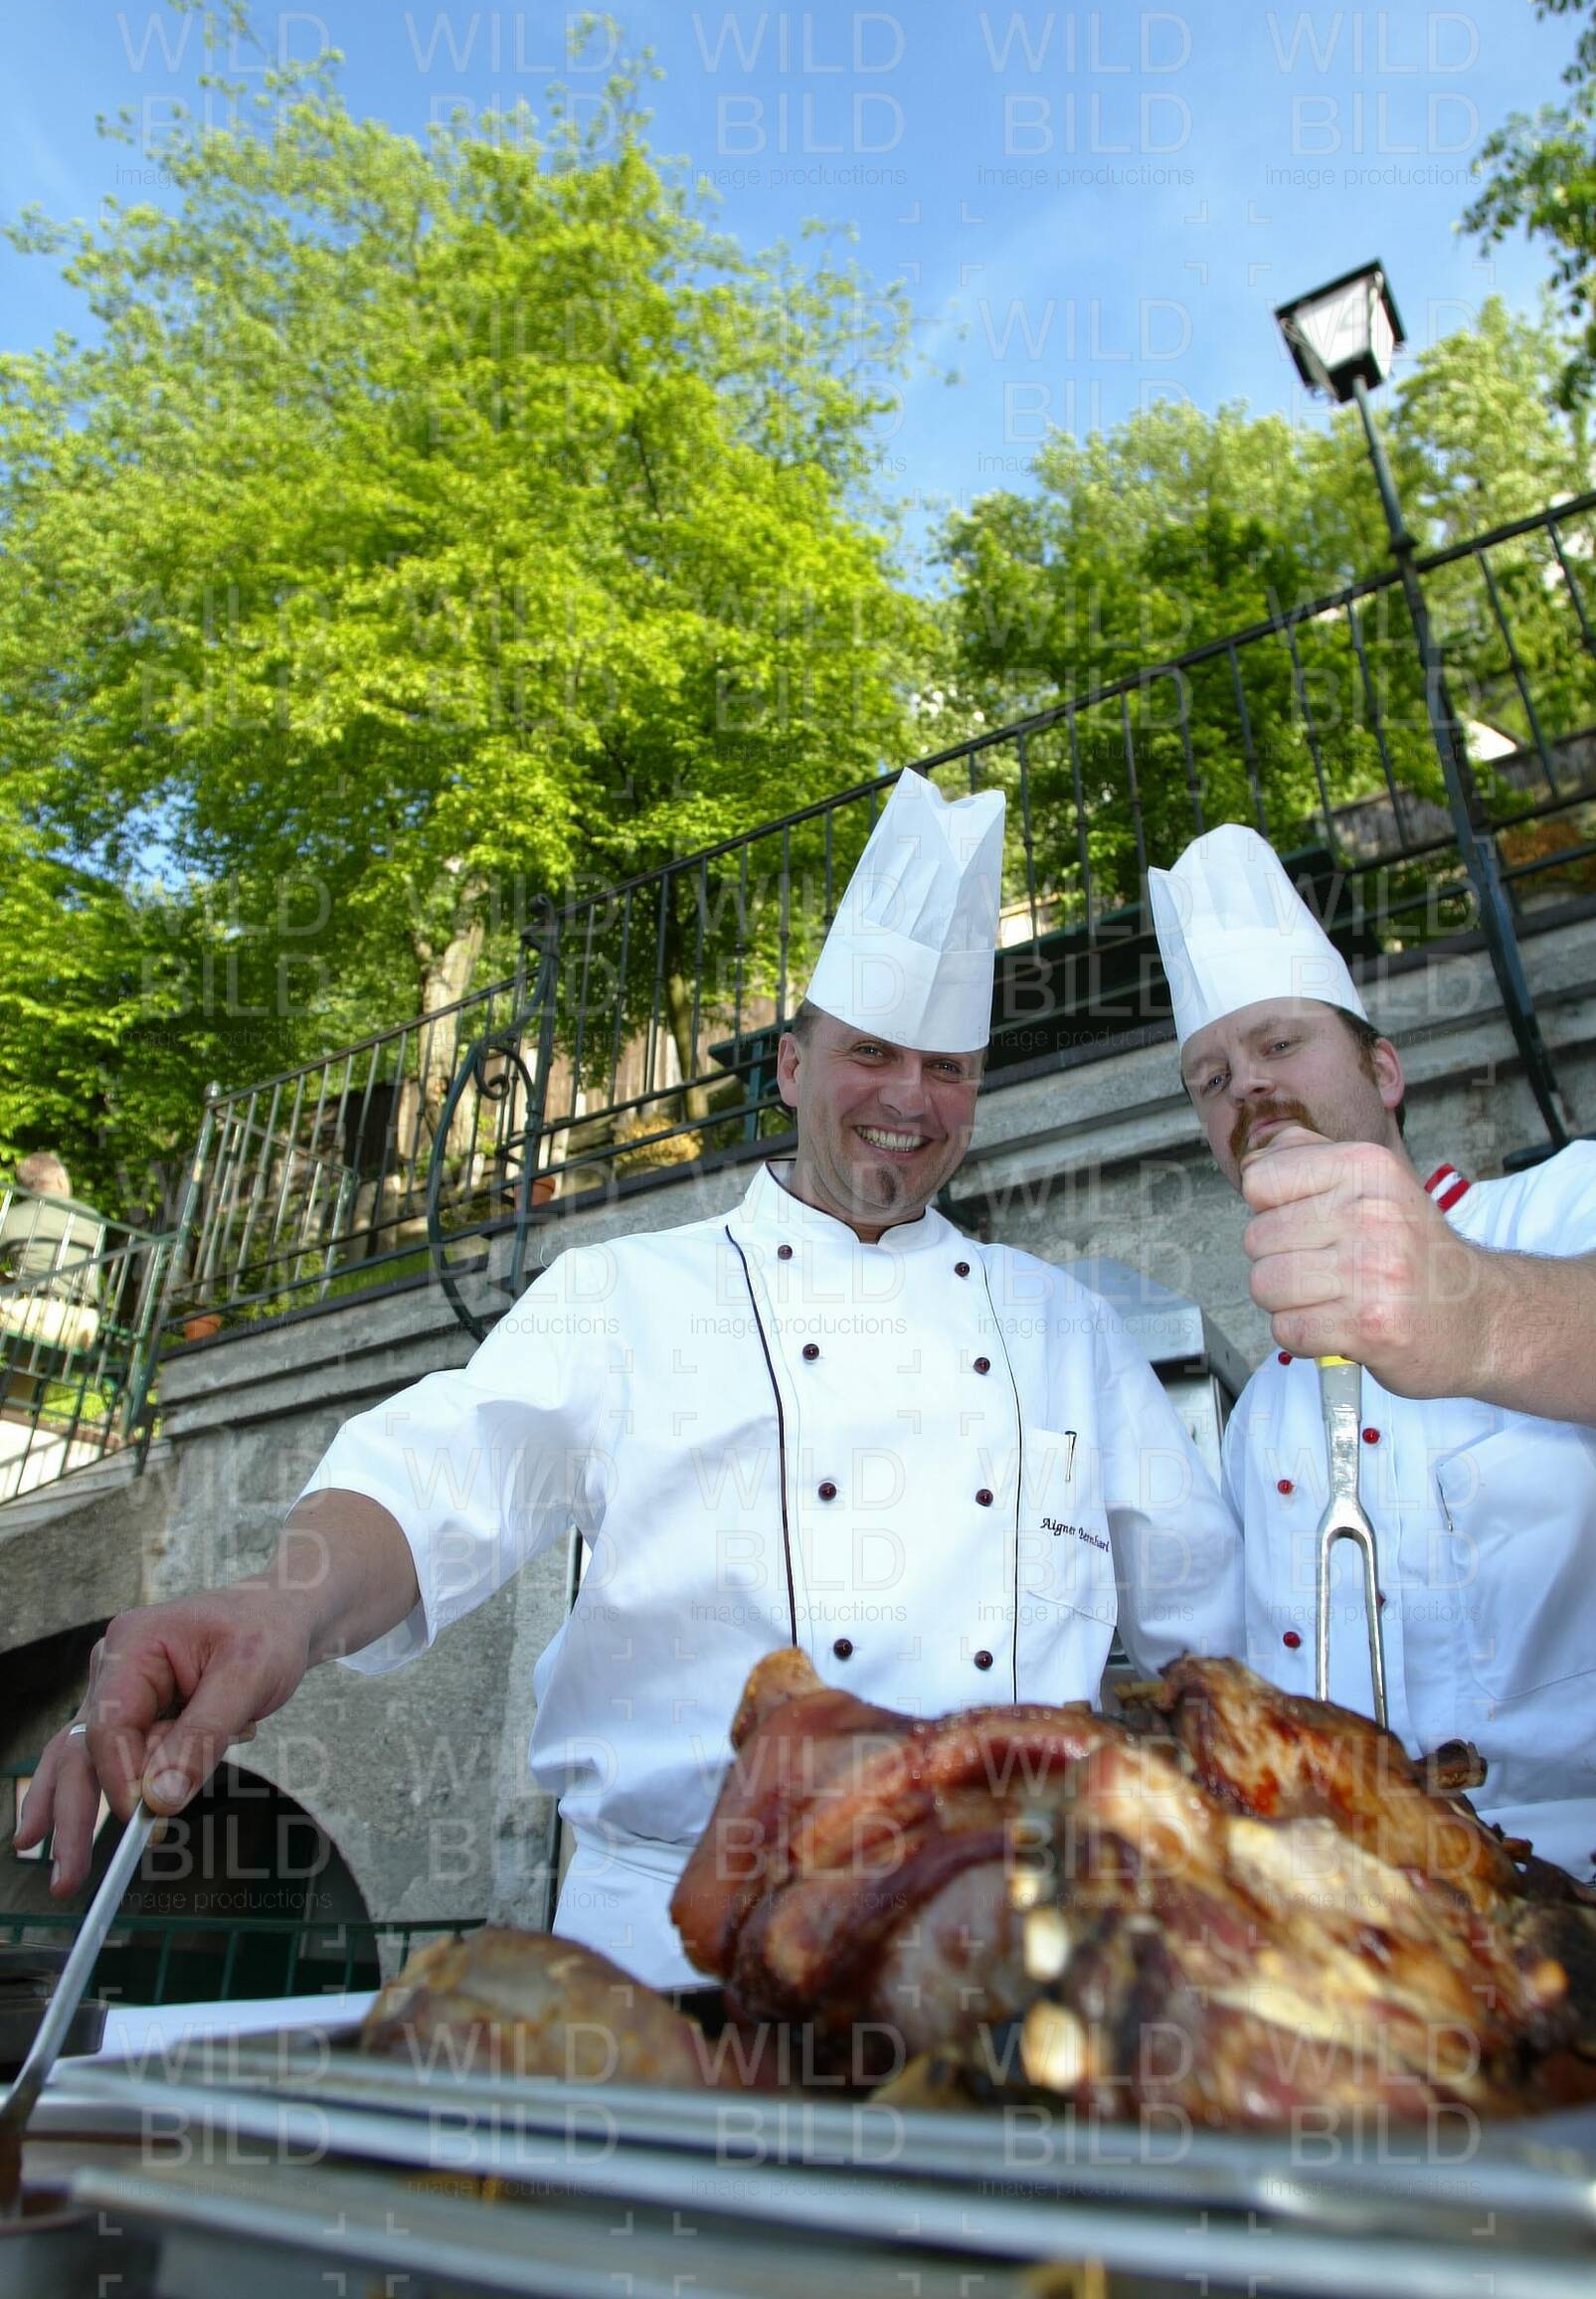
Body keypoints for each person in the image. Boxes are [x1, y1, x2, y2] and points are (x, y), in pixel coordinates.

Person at [20, 773, 1243, 1985]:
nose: (910, 1099)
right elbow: (443, 1475)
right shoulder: (628, 1297)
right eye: (871, 1052)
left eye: (951, 1067)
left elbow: (1215, 1647)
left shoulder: (1071, 1334)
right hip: (674, 1951)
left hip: (1009, 1954)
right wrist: (280, 1608)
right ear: (789, 1066)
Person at [1150, 822, 1596, 1876]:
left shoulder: (1563, 1205)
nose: (1244, 1086)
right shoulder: (1260, 1414)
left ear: (1384, 1069)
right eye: (1210, 1078)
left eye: (1279, 1045)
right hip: (1364, 1915)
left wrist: (1481, 1316)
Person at [0, 1153, 105, 1412]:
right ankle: (11, 1416)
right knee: (25, 1362)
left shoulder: (12, 1217)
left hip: (32, 1318)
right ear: (59, 1179)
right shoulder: (93, 1217)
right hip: (84, 1324)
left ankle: (11, 1414)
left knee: (23, 1343)